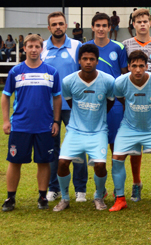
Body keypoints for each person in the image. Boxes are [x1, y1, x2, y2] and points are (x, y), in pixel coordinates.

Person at [1, 34, 61, 212]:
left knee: (44, 162)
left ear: (42, 48)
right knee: (15, 161)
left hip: (44, 126)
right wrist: (6, 121)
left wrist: (56, 121)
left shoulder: (51, 72)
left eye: (37, 46)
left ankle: (43, 197)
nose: (34, 49)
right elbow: (5, 96)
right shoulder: (16, 71)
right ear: (24, 49)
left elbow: (57, 98)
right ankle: (10, 197)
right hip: (20, 126)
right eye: (30, 46)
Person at [53, 44, 115, 212]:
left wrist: (96, 117)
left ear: (97, 61)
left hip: (98, 131)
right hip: (75, 130)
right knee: (62, 163)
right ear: (79, 61)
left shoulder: (108, 81)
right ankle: (65, 198)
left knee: (100, 166)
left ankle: (99, 196)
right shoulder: (68, 81)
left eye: (92, 59)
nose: (88, 62)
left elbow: (109, 103)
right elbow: (72, 103)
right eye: (85, 59)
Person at [109, 50, 151, 212]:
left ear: (147, 67)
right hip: (129, 127)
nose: (137, 70)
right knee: (117, 159)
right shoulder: (120, 82)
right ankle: (120, 198)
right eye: (134, 66)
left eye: (141, 66)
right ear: (128, 67)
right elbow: (121, 98)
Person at [122, 8, 151, 202]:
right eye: (138, 21)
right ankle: (136, 184)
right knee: (135, 145)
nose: (142, 24)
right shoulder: (125, 45)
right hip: (134, 104)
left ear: (150, 23)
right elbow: (124, 74)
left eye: (145, 21)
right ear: (133, 24)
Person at [41, 12, 87, 204]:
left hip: (74, 106)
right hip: (48, 107)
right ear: (49, 27)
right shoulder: (42, 47)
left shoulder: (77, 46)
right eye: (54, 24)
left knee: (77, 147)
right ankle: (54, 188)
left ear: (66, 25)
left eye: (61, 23)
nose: (58, 27)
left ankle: (80, 189)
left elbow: (85, 71)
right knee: (52, 149)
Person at [86, 14, 131, 197]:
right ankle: (100, 190)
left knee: (116, 148)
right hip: (92, 104)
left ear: (110, 27)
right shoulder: (86, 48)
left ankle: (117, 189)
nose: (101, 29)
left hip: (115, 105)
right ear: (92, 27)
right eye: (98, 25)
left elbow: (124, 75)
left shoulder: (118, 47)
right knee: (97, 148)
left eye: (104, 25)